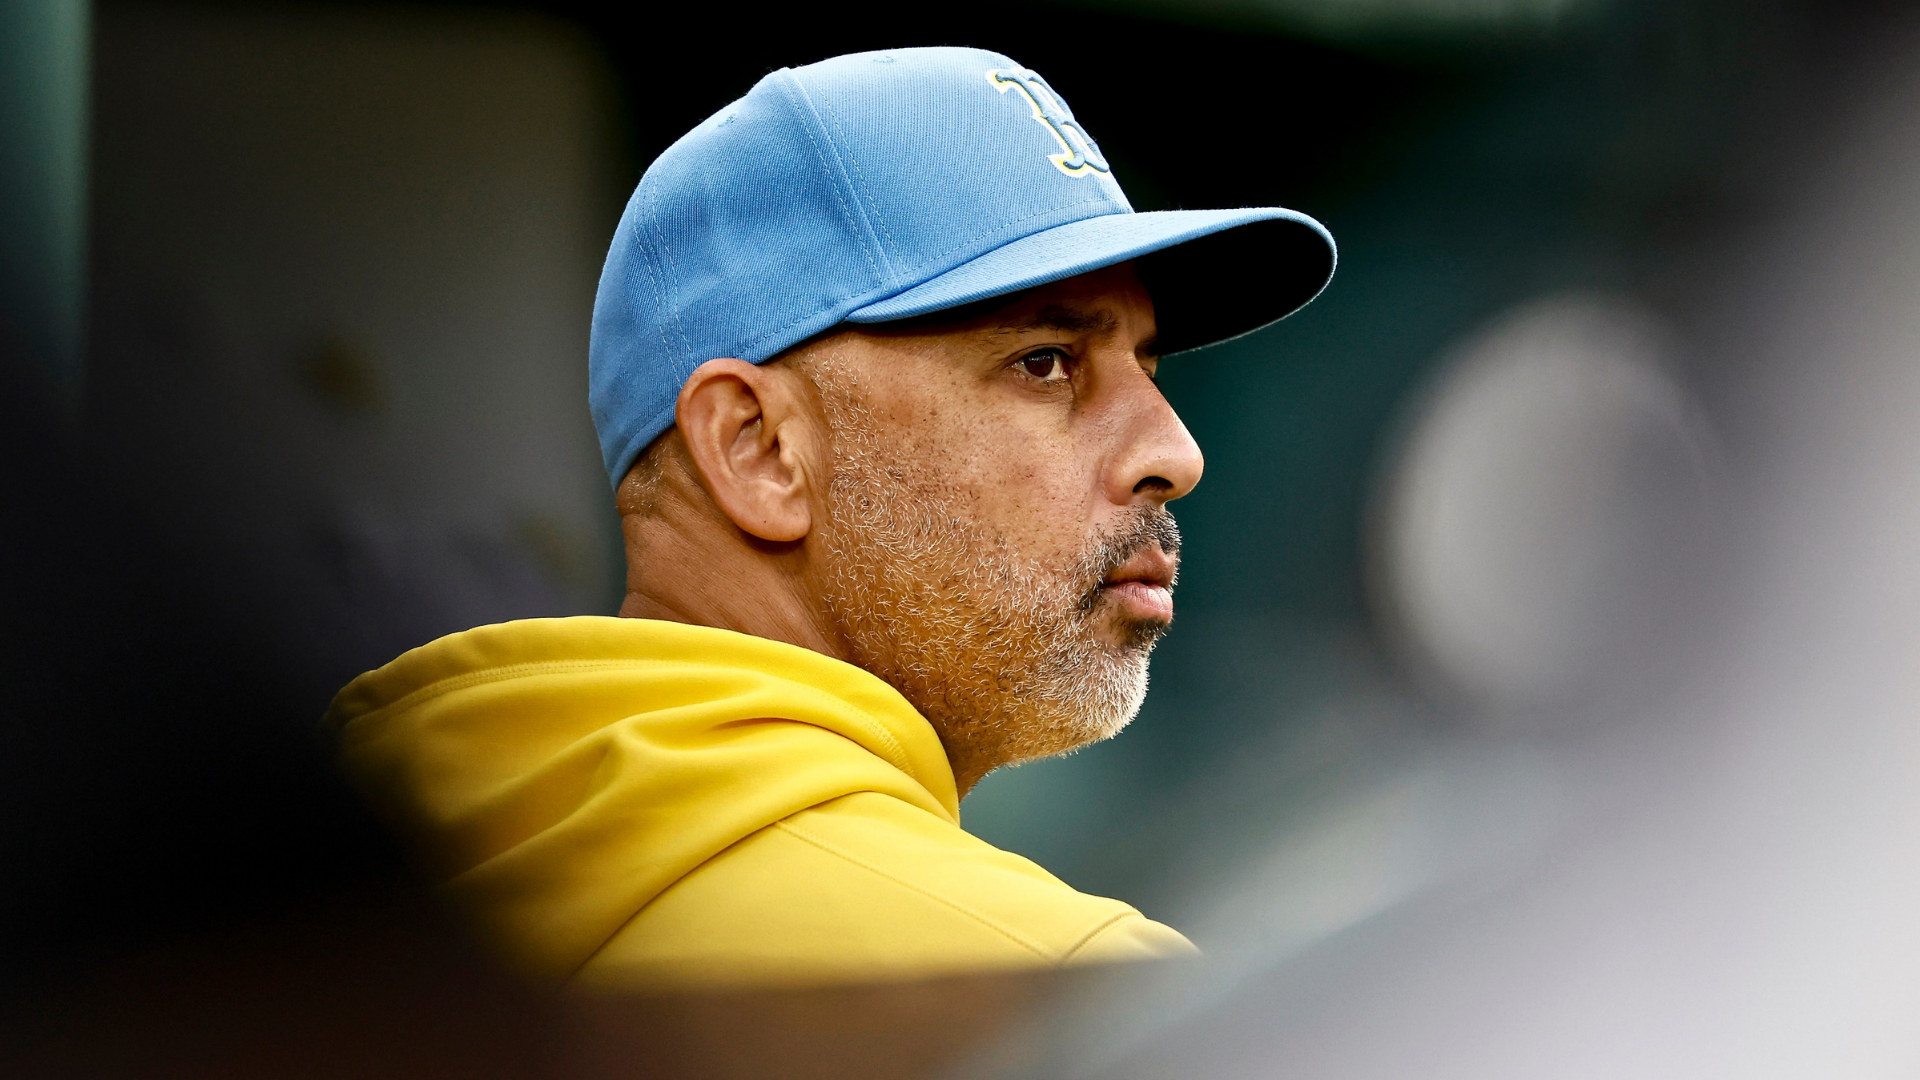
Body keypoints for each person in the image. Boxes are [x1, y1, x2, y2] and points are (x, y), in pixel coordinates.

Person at [326, 47, 1335, 989]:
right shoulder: (1061, 994)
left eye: (1148, 368)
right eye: (1046, 363)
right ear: (757, 449)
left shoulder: (269, 923)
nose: (1177, 453)